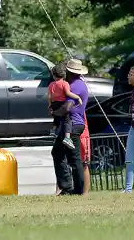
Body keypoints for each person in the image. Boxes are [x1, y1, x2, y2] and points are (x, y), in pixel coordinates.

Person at [52, 59, 90, 195]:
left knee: (74, 158)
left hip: (73, 125)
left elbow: (67, 107)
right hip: (73, 125)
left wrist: (54, 112)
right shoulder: (77, 84)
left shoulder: (75, 86)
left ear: (70, 72)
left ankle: (75, 189)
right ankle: (68, 187)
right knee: (59, 153)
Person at [48, 63, 82, 149]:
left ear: (54, 75)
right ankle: (67, 138)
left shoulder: (51, 84)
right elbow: (68, 93)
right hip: (61, 103)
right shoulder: (64, 83)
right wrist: (77, 97)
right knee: (67, 120)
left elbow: (49, 96)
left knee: (56, 117)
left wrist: (50, 105)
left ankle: (53, 130)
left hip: (54, 103)